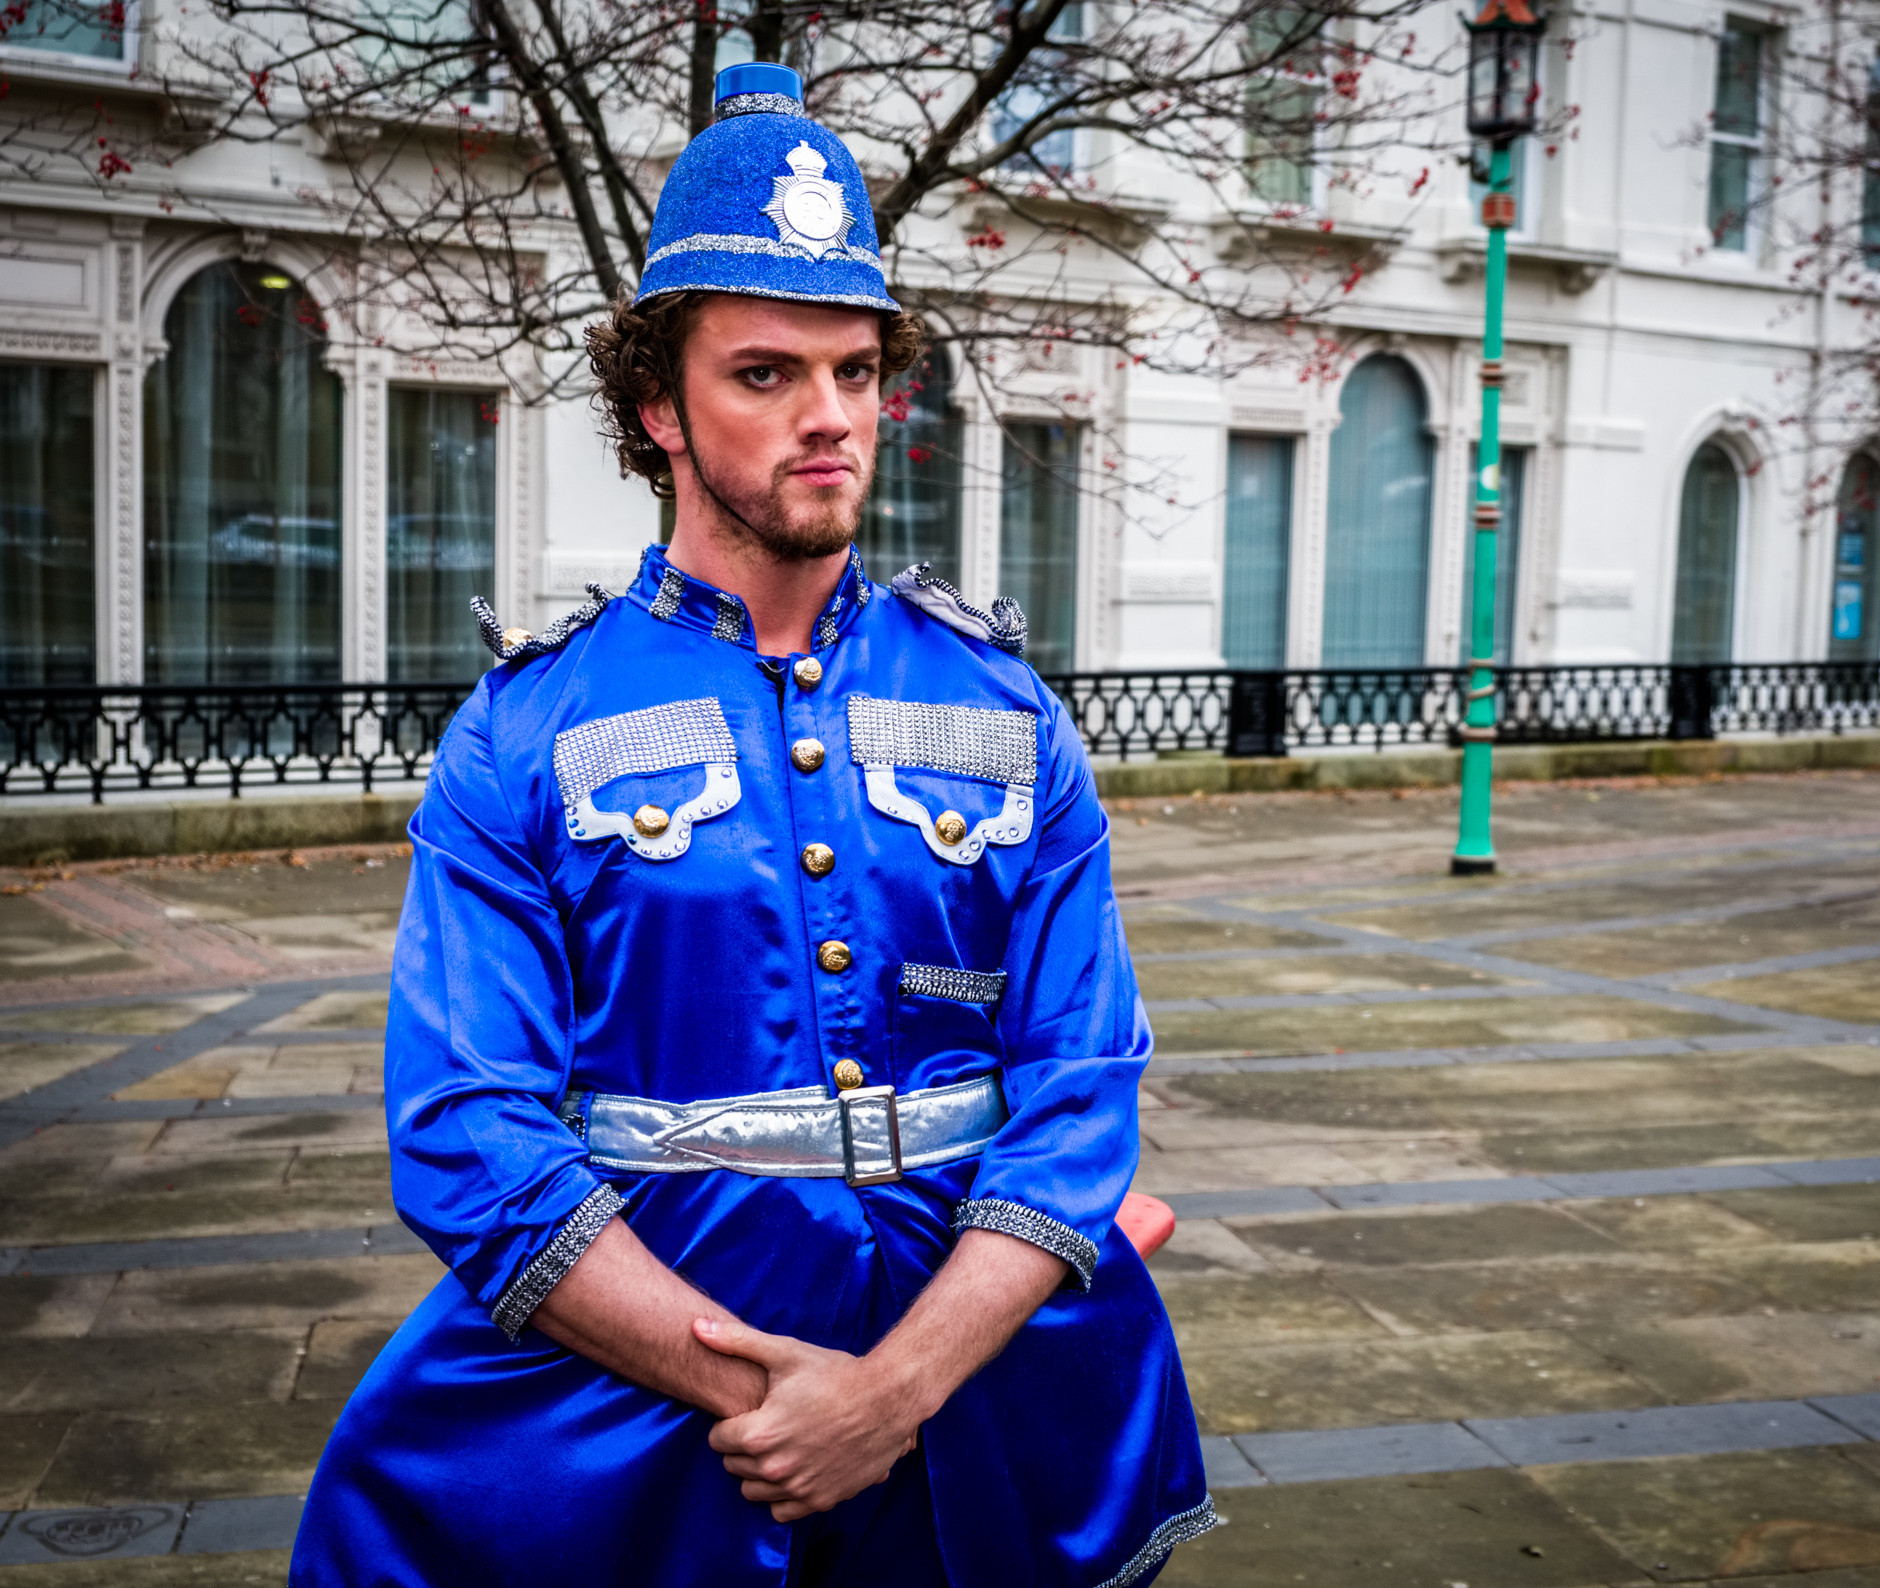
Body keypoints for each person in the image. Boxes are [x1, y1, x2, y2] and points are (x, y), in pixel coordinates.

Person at [291, 61, 1209, 1588]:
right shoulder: (528, 730)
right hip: (643, 1421)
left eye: (855, 373)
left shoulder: (1005, 709)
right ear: (657, 402)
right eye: (768, 374)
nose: (831, 416)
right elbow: (465, 1131)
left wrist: (894, 1396)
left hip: (976, 1408)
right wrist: (779, 1401)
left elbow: (1082, 1082)